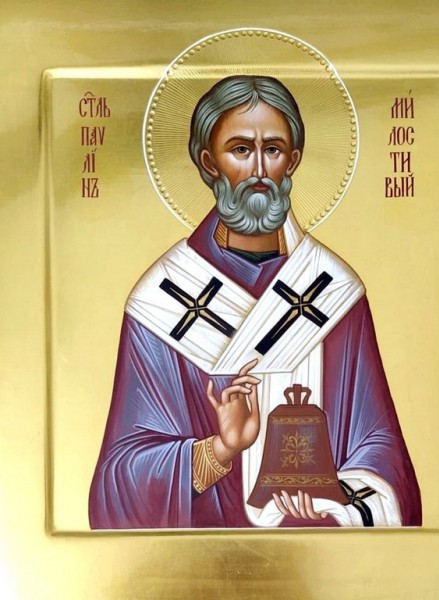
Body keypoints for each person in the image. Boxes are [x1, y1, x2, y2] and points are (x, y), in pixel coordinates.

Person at [89, 75, 422, 529]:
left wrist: (335, 500)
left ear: (293, 161)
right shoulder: (162, 300)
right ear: (209, 162)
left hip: (320, 549)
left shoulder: (333, 292)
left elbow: (380, 448)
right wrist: (220, 448)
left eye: (274, 149)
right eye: (241, 149)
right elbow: (118, 482)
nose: (260, 170)